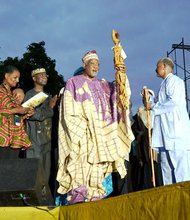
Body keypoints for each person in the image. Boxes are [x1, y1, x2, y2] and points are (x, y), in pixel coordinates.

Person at [56, 50, 134, 205]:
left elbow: (119, 94)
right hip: (83, 131)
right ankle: (79, 193)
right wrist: (80, 129)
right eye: (92, 63)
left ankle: (94, 194)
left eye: (98, 64)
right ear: (85, 65)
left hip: (101, 133)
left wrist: (121, 74)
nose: (96, 67)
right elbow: (68, 108)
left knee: (98, 163)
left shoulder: (103, 85)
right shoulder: (74, 82)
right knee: (81, 162)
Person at [144, 57, 190, 185]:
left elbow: (173, 103)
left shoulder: (175, 81)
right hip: (165, 135)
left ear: (164, 67)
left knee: (181, 171)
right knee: (166, 168)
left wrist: (153, 106)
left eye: (157, 66)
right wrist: (150, 98)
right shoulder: (164, 84)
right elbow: (161, 103)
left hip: (176, 132)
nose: (155, 69)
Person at [24, 68, 58, 182]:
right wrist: (50, 109)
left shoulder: (48, 96)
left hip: (47, 140)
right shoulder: (29, 95)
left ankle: (45, 199)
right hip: (35, 140)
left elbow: (48, 115)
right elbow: (31, 114)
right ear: (34, 78)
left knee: (46, 175)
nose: (45, 77)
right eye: (41, 75)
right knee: (35, 175)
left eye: (45, 75)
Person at [0, 65, 32, 159]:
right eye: (15, 77)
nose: (17, 80)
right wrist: (17, 110)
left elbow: (14, 116)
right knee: (3, 168)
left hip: (15, 138)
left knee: (13, 169)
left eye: (18, 78)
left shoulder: (12, 96)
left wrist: (26, 114)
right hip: (3, 137)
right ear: (6, 76)